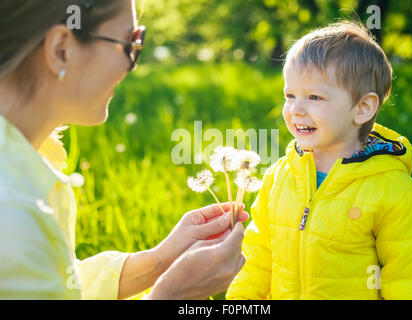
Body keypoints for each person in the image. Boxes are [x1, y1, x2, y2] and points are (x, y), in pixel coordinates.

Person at [0, 0, 247, 300]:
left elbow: (56, 284)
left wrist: (158, 262)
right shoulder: (12, 210)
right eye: (130, 44)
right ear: (60, 51)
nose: (133, 65)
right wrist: (172, 294)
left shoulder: (26, 170)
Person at [226, 21, 412, 300]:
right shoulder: (279, 177)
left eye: (314, 97)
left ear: (362, 108)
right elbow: (256, 259)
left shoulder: (394, 191)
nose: (296, 109)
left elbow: (409, 280)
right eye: (290, 95)